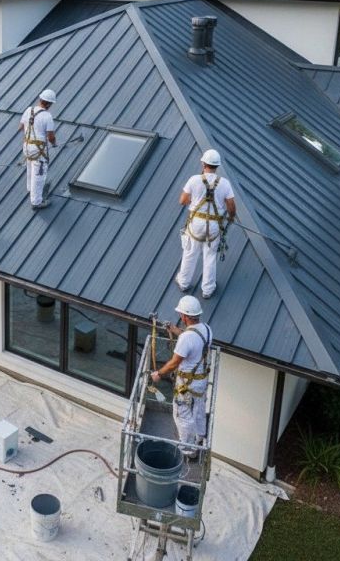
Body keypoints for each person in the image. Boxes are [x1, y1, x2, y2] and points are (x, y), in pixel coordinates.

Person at [151, 295, 212, 457]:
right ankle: (200, 438)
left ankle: (187, 450)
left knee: (182, 415)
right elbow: (193, 339)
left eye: (181, 314)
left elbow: (174, 362)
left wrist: (158, 373)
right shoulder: (206, 329)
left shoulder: (186, 338)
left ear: (185, 316)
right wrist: (175, 330)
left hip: (187, 384)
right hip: (201, 381)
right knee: (198, 409)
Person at [175, 149, 236, 299]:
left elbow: (182, 201)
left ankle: (183, 282)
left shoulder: (194, 180)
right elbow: (231, 206)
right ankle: (208, 289)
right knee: (209, 256)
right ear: (217, 166)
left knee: (190, 252)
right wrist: (231, 218)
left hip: (196, 223)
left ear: (203, 163)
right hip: (214, 225)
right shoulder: (225, 184)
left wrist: (195, 200)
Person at [18, 89, 57, 209]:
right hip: (38, 150)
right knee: (39, 174)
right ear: (49, 104)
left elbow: (21, 127)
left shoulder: (29, 110)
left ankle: (30, 189)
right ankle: (36, 202)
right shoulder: (47, 116)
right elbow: (50, 136)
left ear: (40, 99)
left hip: (27, 146)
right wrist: (54, 144)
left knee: (30, 165)